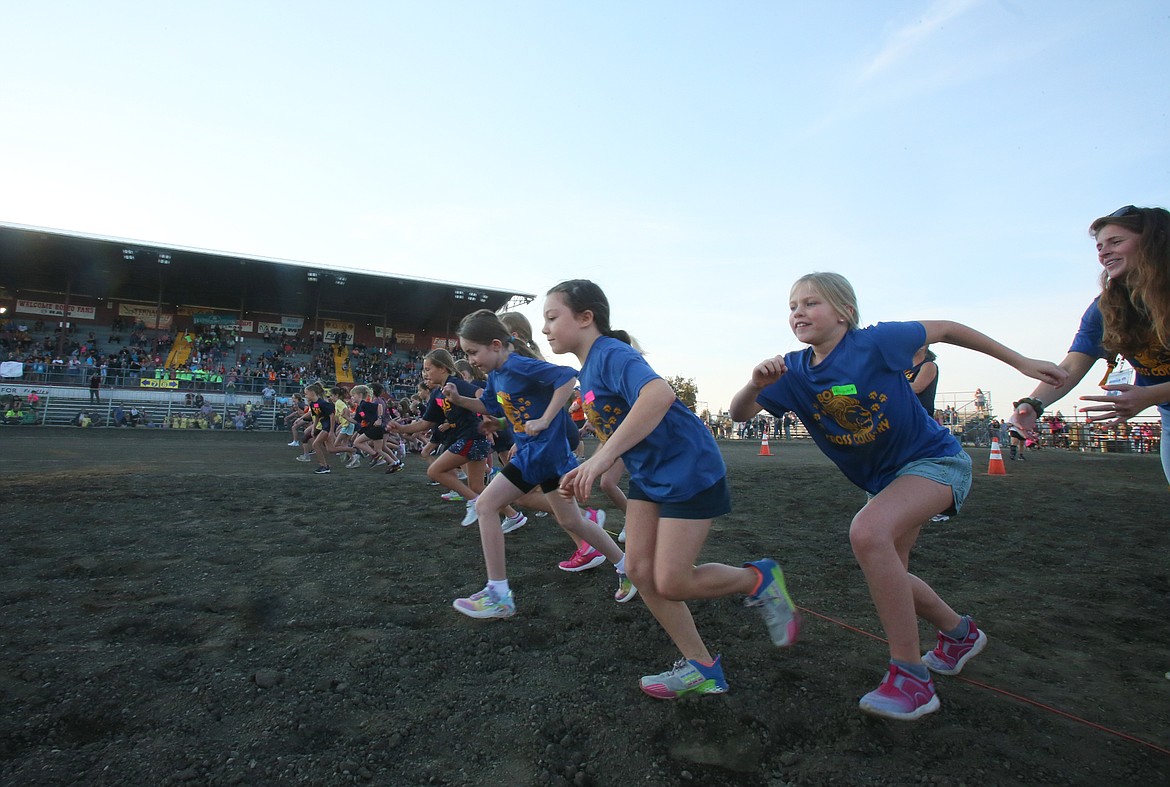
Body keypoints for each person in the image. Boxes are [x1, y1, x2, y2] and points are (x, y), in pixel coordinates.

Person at [729, 272, 1066, 721]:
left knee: (868, 533)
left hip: (935, 462)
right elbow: (739, 413)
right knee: (890, 574)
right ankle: (959, 633)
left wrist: (1020, 362)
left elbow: (946, 328)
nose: (798, 313)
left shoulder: (876, 342)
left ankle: (911, 677)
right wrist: (754, 384)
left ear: (845, 312)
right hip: (884, 482)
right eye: (793, 306)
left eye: (811, 303)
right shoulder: (791, 371)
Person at [548, 279, 800, 699]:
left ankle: (757, 579)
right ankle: (702, 667)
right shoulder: (587, 369)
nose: (546, 329)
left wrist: (600, 458)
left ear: (586, 317)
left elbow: (658, 395)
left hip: (688, 468)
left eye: (552, 317)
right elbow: (625, 425)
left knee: (672, 582)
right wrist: (594, 462)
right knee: (639, 571)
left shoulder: (611, 352)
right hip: (651, 475)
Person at [440, 309, 634, 619]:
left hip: (544, 454)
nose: (471, 359)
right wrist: (462, 401)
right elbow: (490, 405)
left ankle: (498, 593)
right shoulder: (496, 375)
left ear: (495, 344)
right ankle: (626, 566)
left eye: (472, 352)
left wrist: (545, 419)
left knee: (486, 505)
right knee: (572, 522)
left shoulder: (519, 365)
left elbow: (568, 377)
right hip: (541, 456)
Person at [1010, 205, 1170, 487]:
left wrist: (1152, 394)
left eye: (1116, 242)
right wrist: (1033, 404)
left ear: (1155, 240)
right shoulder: (1106, 308)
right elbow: (1071, 366)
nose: (1103, 252)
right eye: (1099, 246)